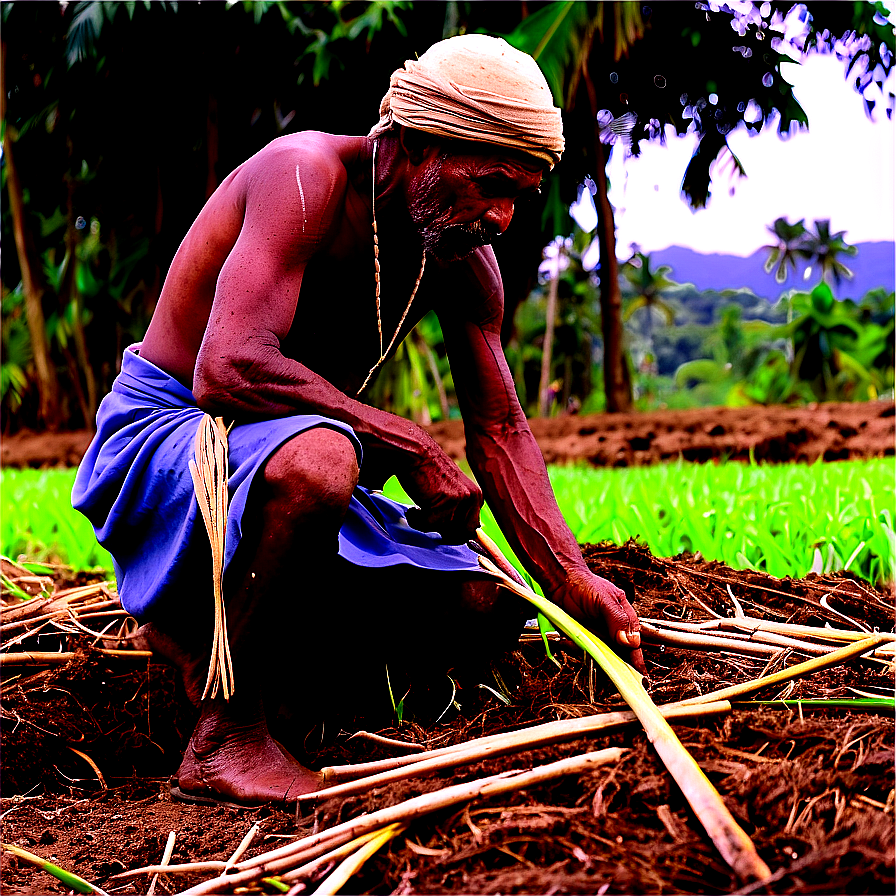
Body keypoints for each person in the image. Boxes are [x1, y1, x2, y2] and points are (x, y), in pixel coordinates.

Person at [73, 34, 644, 808]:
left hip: (273, 448)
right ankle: (224, 733)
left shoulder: (461, 259)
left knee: (485, 607)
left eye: (521, 194)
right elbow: (227, 368)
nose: (503, 216)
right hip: (172, 440)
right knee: (322, 463)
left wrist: (572, 579)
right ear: (416, 144)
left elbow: (501, 428)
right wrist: (403, 441)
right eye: (490, 182)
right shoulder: (302, 176)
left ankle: (215, 641)